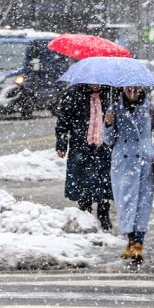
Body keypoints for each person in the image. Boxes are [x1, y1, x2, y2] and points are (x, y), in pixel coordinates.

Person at [104, 85, 154, 264]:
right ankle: (130, 241)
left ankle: (138, 242)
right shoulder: (114, 108)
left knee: (142, 202)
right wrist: (109, 124)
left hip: (144, 163)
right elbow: (108, 140)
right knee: (125, 202)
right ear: (122, 88)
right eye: (128, 88)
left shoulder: (150, 108)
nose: (132, 91)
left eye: (136, 88)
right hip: (123, 163)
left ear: (142, 88)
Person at [55, 84, 114, 230]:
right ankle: (85, 212)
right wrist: (62, 144)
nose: (96, 85)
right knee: (83, 181)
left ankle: (103, 213)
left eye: (99, 82)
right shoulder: (73, 93)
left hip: (105, 145)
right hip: (81, 144)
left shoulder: (111, 93)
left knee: (105, 180)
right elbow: (63, 120)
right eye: (93, 82)